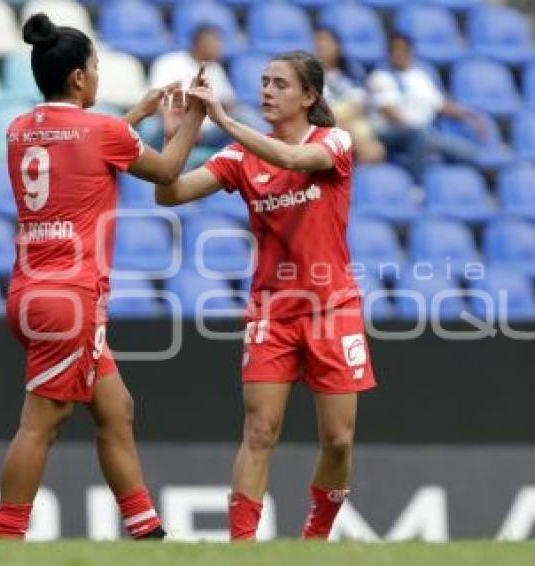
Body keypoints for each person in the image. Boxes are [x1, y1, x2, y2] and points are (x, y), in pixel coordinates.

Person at [0, 13, 206, 541]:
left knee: (116, 407)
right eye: (95, 66)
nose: (98, 75)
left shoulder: (19, 129)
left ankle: (147, 532)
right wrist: (195, 117)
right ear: (80, 79)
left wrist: (136, 113)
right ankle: (3, 540)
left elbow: (80, 145)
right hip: (71, 296)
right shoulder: (103, 130)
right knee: (41, 421)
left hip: (31, 288)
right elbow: (168, 170)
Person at [155, 50, 377, 541]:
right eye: (264, 82)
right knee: (259, 431)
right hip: (272, 312)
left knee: (338, 441)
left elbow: (294, 158)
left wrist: (226, 120)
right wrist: (180, 132)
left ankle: (314, 539)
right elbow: (169, 194)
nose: (267, 91)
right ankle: (242, 547)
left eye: (280, 84)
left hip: (332, 308)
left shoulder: (333, 141)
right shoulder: (239, 159)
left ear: (310, 96)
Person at [366, 34, 485, 180]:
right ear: (389, 53)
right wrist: (420, 129)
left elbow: (439, 104)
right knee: (420, 135)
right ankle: (415, 184)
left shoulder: (419, 76)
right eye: (396, 50)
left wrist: (469, 115)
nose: (400, 54)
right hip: (391, 133)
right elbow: (389, 112)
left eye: (405, 50)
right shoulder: (379, 77)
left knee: (470, 154)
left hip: (426, 132)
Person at [149, 25, 260, 147]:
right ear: (198, 43)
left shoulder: (216, 69)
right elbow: (157, 100)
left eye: (219, 42)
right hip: (175, 126)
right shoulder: (170, 61)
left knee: (244, 114)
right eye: (214, 42)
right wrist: (184, 128)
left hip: (209, 131)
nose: (219, 47)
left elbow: (230, 103)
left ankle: (270, 153)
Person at [313, 27, 385, 163]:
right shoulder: (309, 77)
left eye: (325, 41)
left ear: (338, 46)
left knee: (376, 150)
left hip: (355, 122)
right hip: (327, 126)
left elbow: (358, 103)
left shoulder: (352, 71)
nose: (320, 45)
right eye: (317, 41)